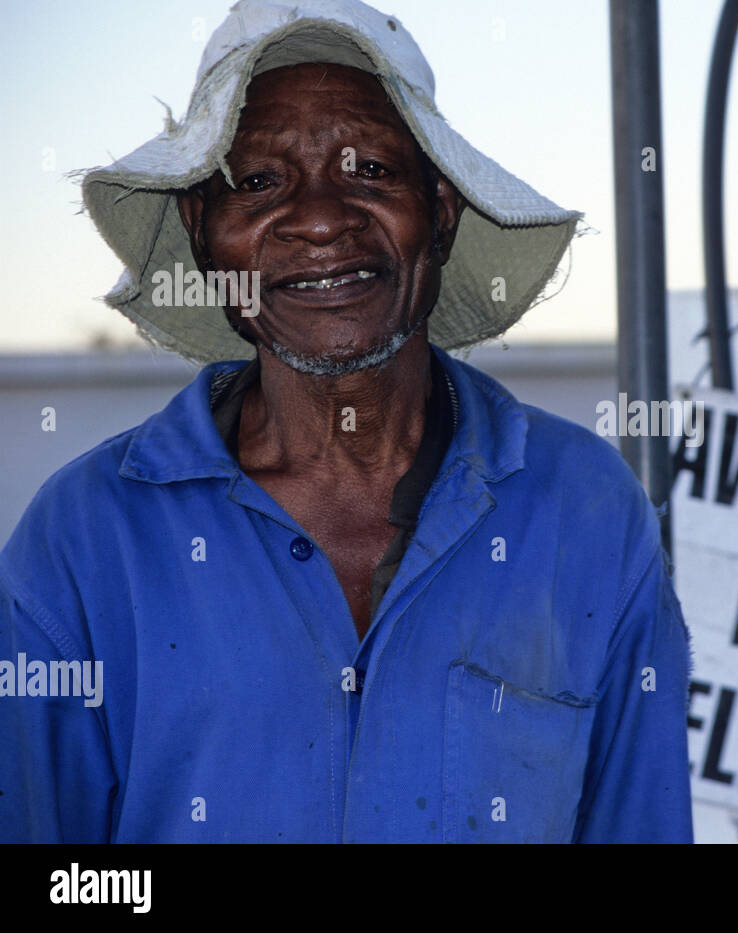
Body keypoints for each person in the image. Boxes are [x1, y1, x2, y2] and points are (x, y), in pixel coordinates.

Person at [0, 0, 693, 843]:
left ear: (440, 209)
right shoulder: (83, 540)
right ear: (203, 229)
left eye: (370, 171)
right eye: (258, 182)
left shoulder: (587, 512)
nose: (321, 217)